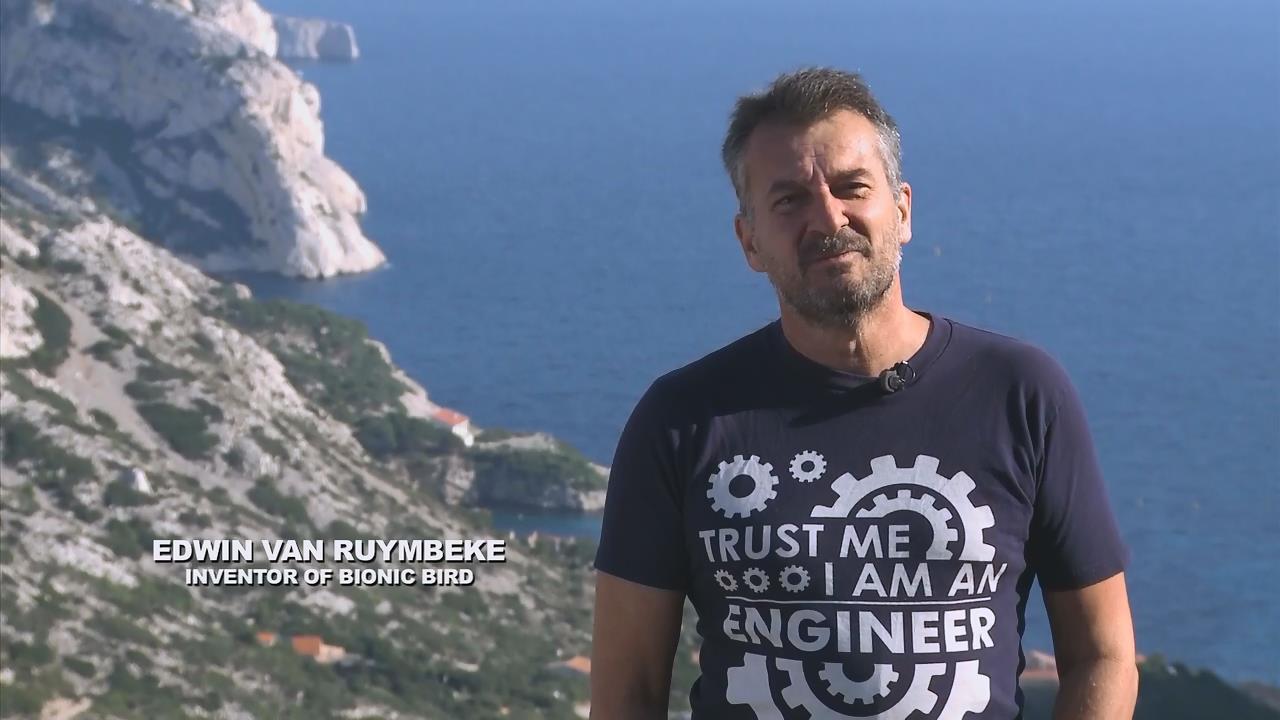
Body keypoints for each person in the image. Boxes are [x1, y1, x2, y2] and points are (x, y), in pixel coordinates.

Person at [590, 67, 1137, 719]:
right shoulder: (682, 420)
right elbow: (628, 690)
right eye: (789, 200)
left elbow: (1103, 655)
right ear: (750, 241)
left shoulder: (1021, 395)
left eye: (852, 187)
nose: (828, 218)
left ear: (901, 211)